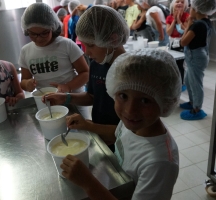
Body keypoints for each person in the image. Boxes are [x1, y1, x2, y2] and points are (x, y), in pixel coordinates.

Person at [61, 49, 181, 200]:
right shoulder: (136, 125)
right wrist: (87, 125)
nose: (130, 110)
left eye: (145, 100)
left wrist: (88, 182)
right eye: (123, 95)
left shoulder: (159, 163)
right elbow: (119, 134)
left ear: (165, 102)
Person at [44, 5, 129, 152]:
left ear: (112, 39)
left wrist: (89, 126)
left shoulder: (129, 72)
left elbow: (130, 132)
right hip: (102, 138)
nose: (86, 52)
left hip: (123, 146)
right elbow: (92, 96)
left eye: (90, 45)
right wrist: (65, 98)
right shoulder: (98, 62)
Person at [19, 3, 89, 118]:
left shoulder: (66, 45)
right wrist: (27, 84)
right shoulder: (26, 51)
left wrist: (68, 86)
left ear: (52, 27)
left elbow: (86, 73)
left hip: (73, 99)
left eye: (44, 33)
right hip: (46, 104)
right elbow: (24, 81)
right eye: (33, 34)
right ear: (27, 31)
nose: (38, 38)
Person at [179, 0, 216, 120]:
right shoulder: (205, 22)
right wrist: (189, 25)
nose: (189, 9)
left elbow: (183, 42)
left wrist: (189, 24)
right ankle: (192, 102)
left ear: (196, 9)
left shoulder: (197, 25)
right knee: (189, 80)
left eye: (191, 7)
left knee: (196, 84)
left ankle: (197, 109)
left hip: (196, 57)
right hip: (198, 55)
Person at [166, 0, 189, 92]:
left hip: (182, 42)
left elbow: (186, 30)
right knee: (174, 63)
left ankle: (182, 82)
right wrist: (174, 20)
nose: (179, 3)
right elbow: (168, 32)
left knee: (181, 64)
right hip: (173, 42)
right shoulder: (169, 17)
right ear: (173, 5)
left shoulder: (187, 16)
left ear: (185, 6)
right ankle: (176, 81)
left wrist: (179, 20)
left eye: (182, 2)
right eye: (177, 1)